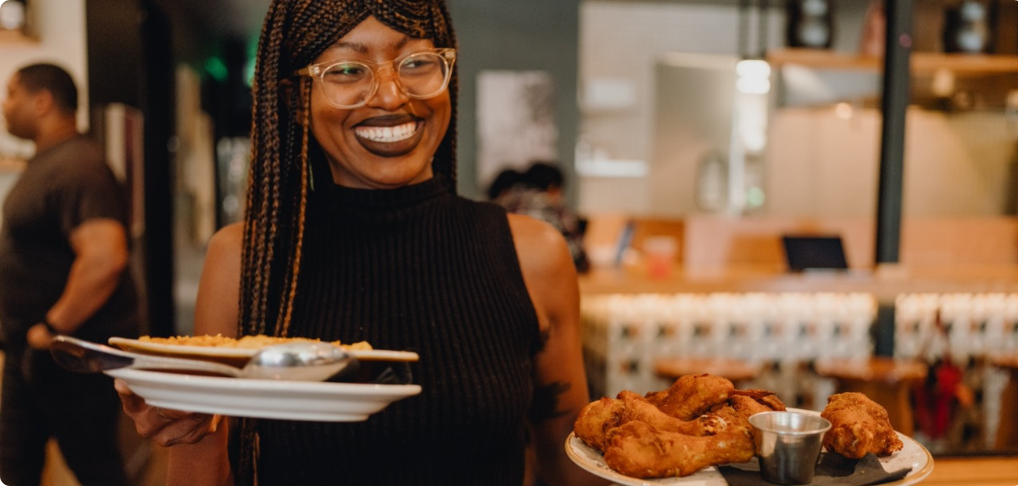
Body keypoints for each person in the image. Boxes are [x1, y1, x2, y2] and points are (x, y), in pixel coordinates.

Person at [115, 2, 605, 485]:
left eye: (415, 62)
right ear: (294, 97)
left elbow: (571, 468)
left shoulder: (533, 255)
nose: (391, 95)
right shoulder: (245, 260)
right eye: (348, 69)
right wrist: (189, 428)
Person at [0, 63, 139, 486]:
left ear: (41, 102)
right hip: (35, 349)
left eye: (11, 93)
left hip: (64, 351)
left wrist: (50, 329)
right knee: (14, 460)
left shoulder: (78, 166)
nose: (4, 106)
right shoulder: (52, 161)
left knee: (94, 466)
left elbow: (105, 259)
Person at [495, 162, 590, 273]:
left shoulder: (501, 204)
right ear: (552, 188)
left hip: (500, 277)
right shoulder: (551, 209)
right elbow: (576, 257)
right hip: (541, 278)